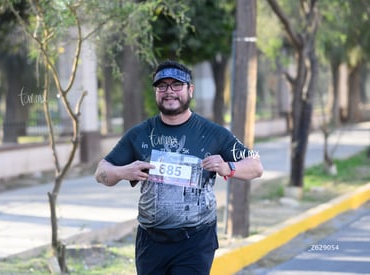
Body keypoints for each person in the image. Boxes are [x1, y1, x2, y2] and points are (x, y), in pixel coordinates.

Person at [95, 60, 263, 275]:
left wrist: (227, 166)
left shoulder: (213, 133)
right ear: (156, 92)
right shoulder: (140, 134)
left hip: (195, 239)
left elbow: (256, 165)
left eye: (176, 85)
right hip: (151, 240)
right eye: (162, 86)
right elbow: (101, 172)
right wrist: (121, 172)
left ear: (190, 90)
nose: (169, 92)